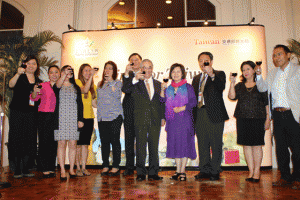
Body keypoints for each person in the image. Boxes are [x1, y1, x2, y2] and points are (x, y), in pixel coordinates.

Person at [255, 44, 300, 190]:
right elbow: (262, 88)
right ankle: (285, 177)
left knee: (297, 148)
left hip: (293, 114)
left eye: (279, 54)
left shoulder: (297, 70)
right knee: (281, 149)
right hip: (278, 116)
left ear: (288, 55)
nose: (276, 57)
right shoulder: (273, 73)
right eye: (274, 55)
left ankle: (298, 178)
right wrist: (259, 75)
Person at [122, 59, 165, 181]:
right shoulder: (135, 83)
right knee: (140, 146)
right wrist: (135, 79)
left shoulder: (158, 84)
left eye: (150, 67)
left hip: (155, 119)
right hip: (140, 119)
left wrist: (162, 117)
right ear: (141, 69)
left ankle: (153, 173)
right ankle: (140, 173)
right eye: (144, 67)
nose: (147, 69)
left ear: (152, 69)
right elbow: (125, 89)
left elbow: (161, 103)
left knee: (154, 146)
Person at [228, 61, 270, 182]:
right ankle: (251, 171)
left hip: (258, 118)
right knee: (246, 146)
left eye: (248, 69)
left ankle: (257, 171)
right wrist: (232, 83)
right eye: (243, 70)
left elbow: (266, 102)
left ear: (253, 70)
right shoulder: (240, 85)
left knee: (256, 146)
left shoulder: (261, 84)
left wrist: (267, 118)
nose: (245, 72)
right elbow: (231, 97)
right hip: (242, 118)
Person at [192, 52, 229, 181]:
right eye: (201, 61)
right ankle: (204, 170)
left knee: (216, 143)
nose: (203, 63)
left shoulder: (219, 74)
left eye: (206, 60)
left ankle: (215, 170)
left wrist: (212, 74)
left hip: (215, 114)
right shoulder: (196, 78)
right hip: (200, 113)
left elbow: (221, 86)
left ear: (211, 62)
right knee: (202, 143)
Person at [160, 63, 197, 181]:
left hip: (185, 120)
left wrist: (182, 108)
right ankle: (177, 171)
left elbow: (193, 102)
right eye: (173, 71)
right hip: (172, 121)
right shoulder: (168, 88)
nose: (176, 74)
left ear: (182, 73)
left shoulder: (188, 87)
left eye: (178, 71)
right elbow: (162, 100)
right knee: (175, 144)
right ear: (170, 74)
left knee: (184, 145)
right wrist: (162, 89)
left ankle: (183, 171)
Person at [8, 55, 41, 178]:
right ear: (24, 64)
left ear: (37, 66)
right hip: (17, 112)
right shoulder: (19, 76)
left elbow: (36, 99)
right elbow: (11, 85)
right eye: (29, 63)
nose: (32, 65)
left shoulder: (38, 81)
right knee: (17, 139)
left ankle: (26, 168)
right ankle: (17, 169)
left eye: (34, 63)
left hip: (31, 113)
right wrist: (17, 73)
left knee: (29, 140)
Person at [53, 65, 84, 180]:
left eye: (70, 71)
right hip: (60, 119)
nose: (68, 73)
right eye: (65, 71)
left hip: (73, 118)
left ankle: (71, 169)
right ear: (62, 72)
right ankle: (62, 170)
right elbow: (56, 87)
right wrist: (63, 75)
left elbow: (80, 105)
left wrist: (80, 119)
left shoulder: (76, 87)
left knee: (73, 145)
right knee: (61, 144)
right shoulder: (58, 85)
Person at [30, 65, 60, 178]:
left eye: (56, 72)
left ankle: (51, 167)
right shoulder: (42, 85)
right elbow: (33, 99)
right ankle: (44, 168)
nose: (54, 74)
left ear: (59, 73)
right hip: (44, 116)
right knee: (44, 142)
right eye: (51, 72)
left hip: (56, 117)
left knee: (54, 143)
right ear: (48, 74)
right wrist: (34, 91)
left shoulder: (61, 86)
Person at [97, 61, 123, 176]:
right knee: (104, 142)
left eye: (110, 69)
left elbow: (117, 95)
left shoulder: (118, 83)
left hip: (115, 116)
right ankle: (105, 165)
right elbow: (98, 100)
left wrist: (111, 82)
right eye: (106, 68)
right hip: (102, 118)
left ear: (114, 71)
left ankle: (116, 166)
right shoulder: (99, 84)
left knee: (115, 141)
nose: (107, 70)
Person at [121, 53, 142, 176]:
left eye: (136, 60)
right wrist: (127, 75)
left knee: (140, 140)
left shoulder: (145, 73)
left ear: (140, 61)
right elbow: (126, 90)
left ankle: (140, 167)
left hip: (141, 111)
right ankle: (129, 167)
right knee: (129, 140)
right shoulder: (126, 75)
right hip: (128, 111)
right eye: (132, 60)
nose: (134, 62)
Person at [75, 64, 97, 177]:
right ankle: (77, 167)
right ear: (81, 72)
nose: (88, 73)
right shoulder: (77, 82)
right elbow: (84, 90)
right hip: (79, 118)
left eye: (90, 71)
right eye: (86, 71)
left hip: (90, 118)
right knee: (78, 145)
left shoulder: (94, 86)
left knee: (85, 145)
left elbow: (94, 104)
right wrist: (91, 78)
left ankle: (84, 167)